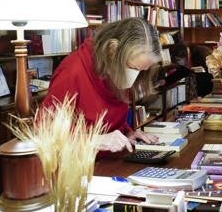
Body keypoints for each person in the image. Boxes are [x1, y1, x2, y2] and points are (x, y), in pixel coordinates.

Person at [42, 18, 160, 153]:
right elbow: (46, 131)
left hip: (111, 160)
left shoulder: (117, 66)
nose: (134, 77)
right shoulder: (72, 71)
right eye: (133, 68)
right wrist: (97, 140)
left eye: (141, 70)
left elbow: (108, 122)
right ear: (112, 50)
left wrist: (127, 133)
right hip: (78, 165)